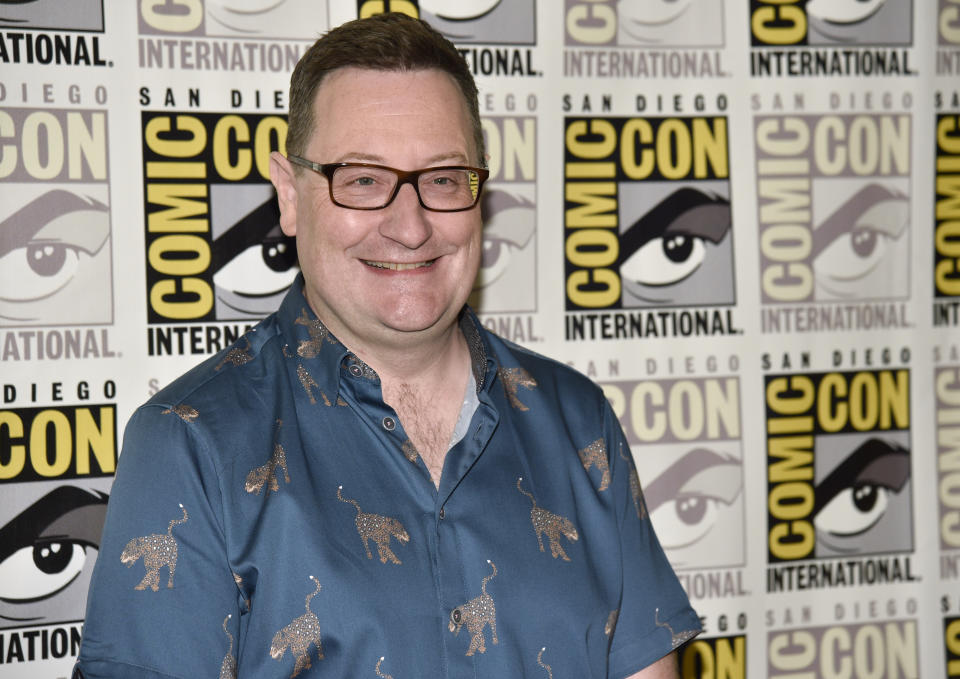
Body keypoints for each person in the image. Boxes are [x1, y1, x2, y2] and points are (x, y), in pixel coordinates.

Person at [74, 13, 700, 679]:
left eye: (442, 178)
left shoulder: (578, 421)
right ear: (290, 194)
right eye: (364, 179)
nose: (410, 226)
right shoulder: (190, 445)